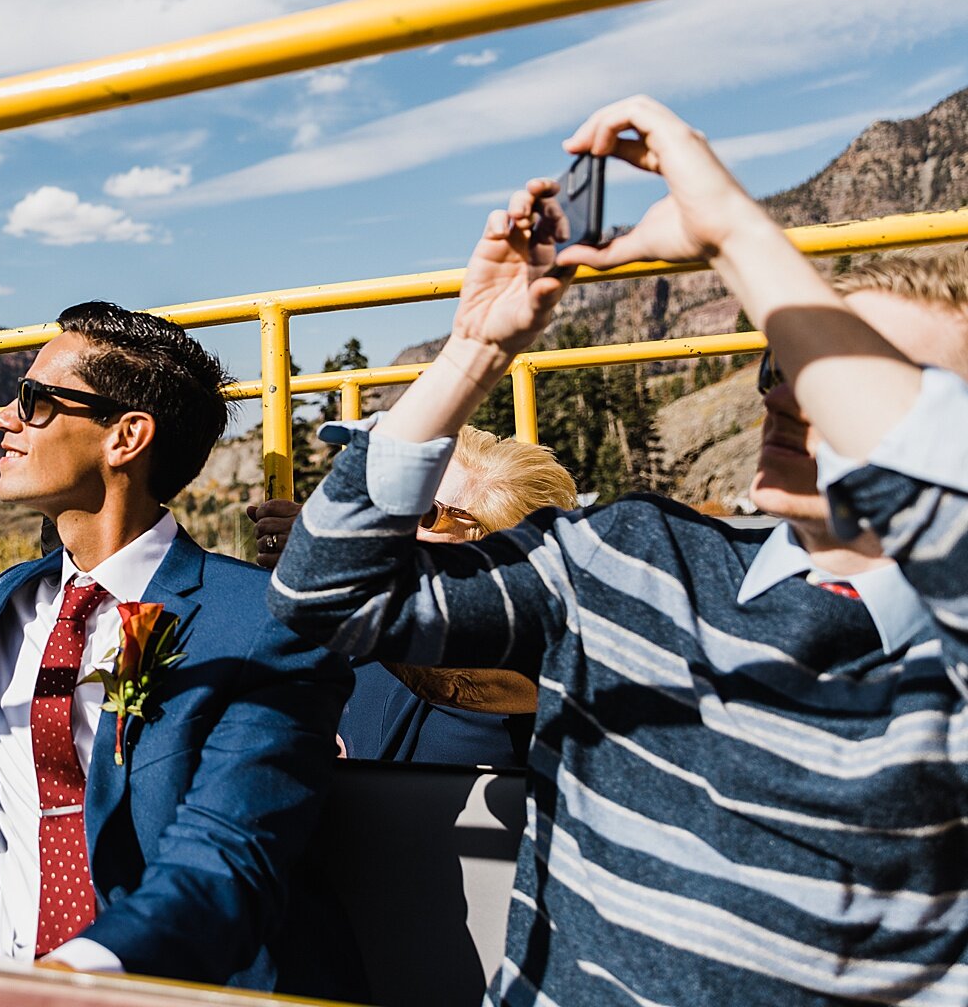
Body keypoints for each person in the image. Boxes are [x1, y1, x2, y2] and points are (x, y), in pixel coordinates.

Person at [266, 96, 968, 1005]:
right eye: (782, 367)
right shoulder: (632, 555)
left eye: (846, 378)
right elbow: (326, 598)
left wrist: (735, 234)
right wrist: (473, 352)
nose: (793, 399)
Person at [0, 302, 357, 996]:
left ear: (126, 437)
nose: (3, 419)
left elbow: (231, 857)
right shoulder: (0, 606)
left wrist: (81, 973)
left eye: (35, 400)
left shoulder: (262, 625)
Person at [252, 426, 577, 765]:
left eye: (423, 512)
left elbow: (450, 679)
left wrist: (336, 564)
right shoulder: (357, 630)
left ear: (492, 545)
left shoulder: (539, 647)